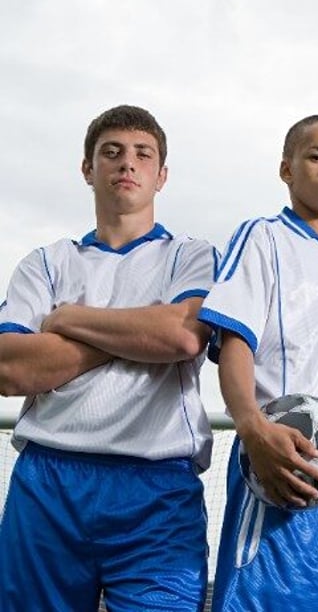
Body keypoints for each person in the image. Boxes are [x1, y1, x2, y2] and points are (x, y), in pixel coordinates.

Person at [0, 105, 216, 611]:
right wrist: (139, 333)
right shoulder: (46, 263)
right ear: (87, 168)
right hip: (50, 482)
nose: (128, 164)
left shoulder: (190, 255)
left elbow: (183, 339)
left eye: (143, 155)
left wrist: (68, 318)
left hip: (157, 488)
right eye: (112, 152)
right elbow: (9, 369)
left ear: (161, 176)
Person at [199, 114, 318, 611]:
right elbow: (235, 340)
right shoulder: (262, 238)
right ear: (287, 169)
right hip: (281, 466)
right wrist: (252, 429)